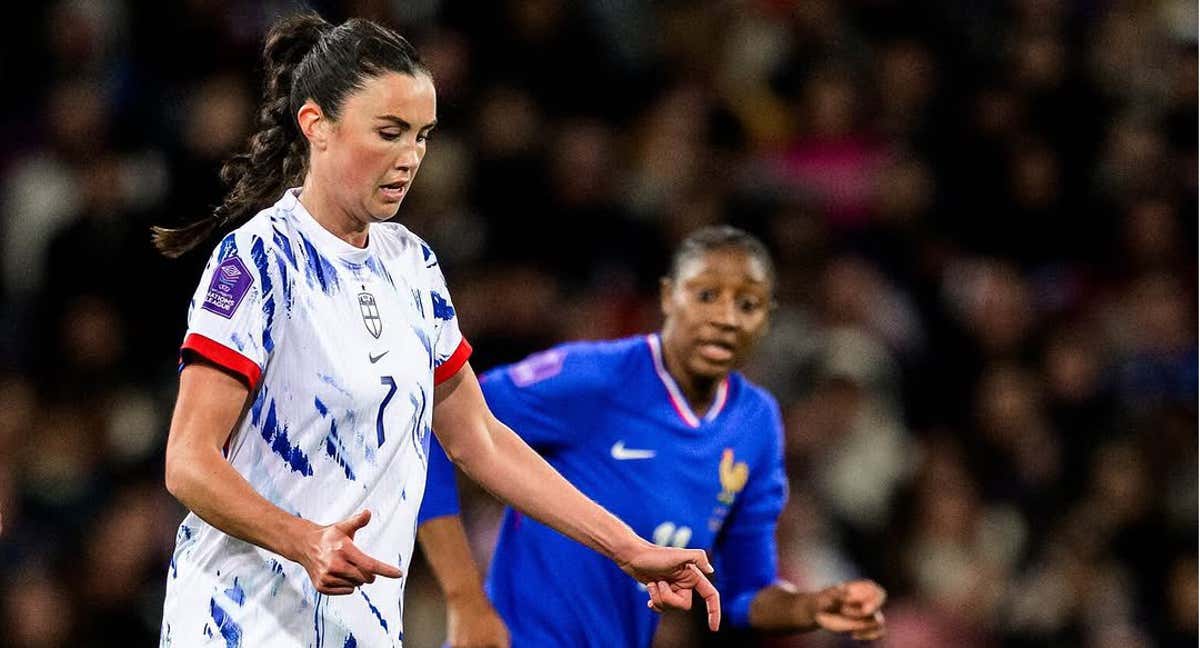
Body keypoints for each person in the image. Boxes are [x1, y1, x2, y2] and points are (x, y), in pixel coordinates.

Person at [154, 13, 719, 648]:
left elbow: (478, 439)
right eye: (389, 133)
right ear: (316, 125)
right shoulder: (258, 260)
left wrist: (627, 548)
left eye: (422, 136)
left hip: (361, 627)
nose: (411, 158)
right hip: (239, 621)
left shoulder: (412, 265)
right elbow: (188, 461)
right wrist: (304, 539)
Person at [417, 226, 888, 647]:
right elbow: (435, 423)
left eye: (747, 304)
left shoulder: (756, 422)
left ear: (767, 318)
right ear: (668, 297)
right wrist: (465, 601)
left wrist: (811, 607)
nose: (726, 317)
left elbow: (746, 593)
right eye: (706, 295)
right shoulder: (596, 379)